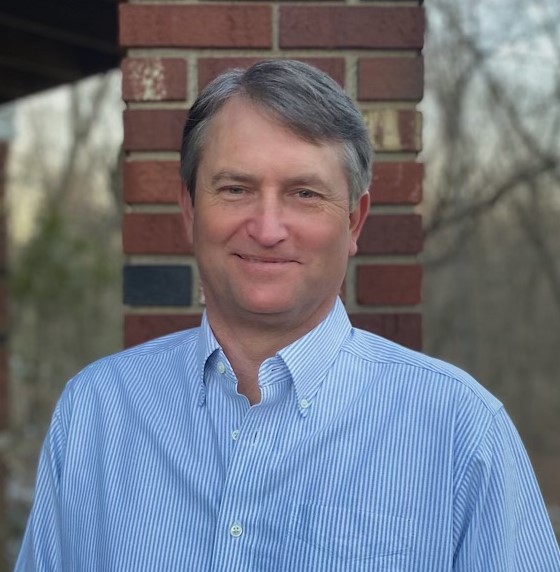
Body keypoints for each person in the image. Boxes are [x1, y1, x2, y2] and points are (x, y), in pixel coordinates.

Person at [16, 60, 559, 571]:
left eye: (304, 193)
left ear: (354, 222)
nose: (268, 228)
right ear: (189, 210)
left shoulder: (460, 431)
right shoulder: (96, 412)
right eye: (236, 189)